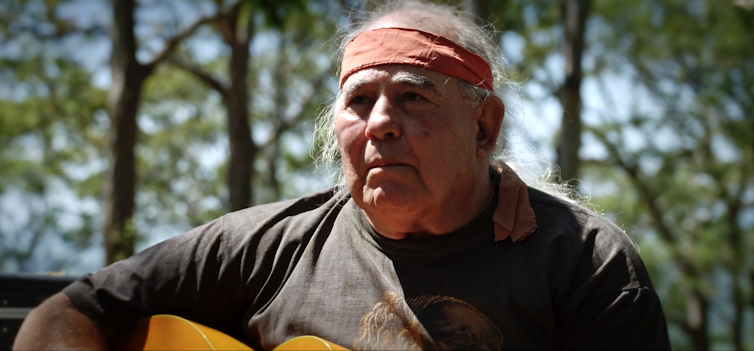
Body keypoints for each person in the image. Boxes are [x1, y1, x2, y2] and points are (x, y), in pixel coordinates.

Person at [13, 1, 671, 350]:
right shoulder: (267, 245)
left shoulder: (586, 264)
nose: (380, 122)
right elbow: (65, 313)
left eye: (414, 97)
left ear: (485, 127)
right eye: (358, 102)